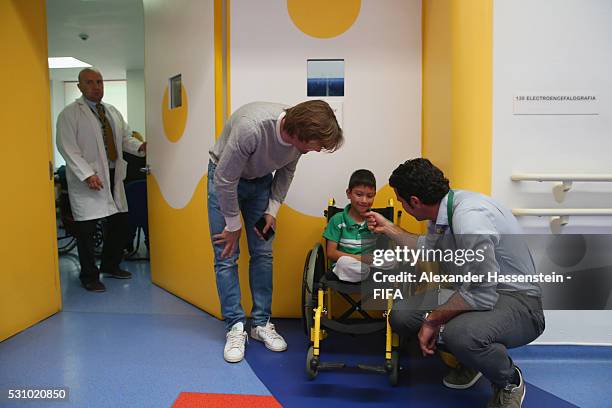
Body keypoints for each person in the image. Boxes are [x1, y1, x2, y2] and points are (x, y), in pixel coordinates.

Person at [366, 158, 545, 408]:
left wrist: (433, 320)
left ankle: (509, 380)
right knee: (402, 315)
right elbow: (427, 248)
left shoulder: (469, 218)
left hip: (518, 302)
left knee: (460, 333)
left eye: (401, 200)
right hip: (474, 292)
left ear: (414, 201)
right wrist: (388, 229)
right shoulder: (444, 210)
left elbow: (482, 294)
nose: (401, 205)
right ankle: (472, 362)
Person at [208, 100, 343, 363]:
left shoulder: (299, 143)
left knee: (263, 252)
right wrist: (233, 224)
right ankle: (235, 326)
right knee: (226, 254)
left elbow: (286, 172)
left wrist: (272, 210)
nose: (317, 150)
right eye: (317, 145)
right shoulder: (252, 128)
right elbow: (225, 179)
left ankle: (260, 324)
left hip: (260, 184)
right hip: (223, 178)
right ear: (300, 135)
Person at [56, 68, 146, 293]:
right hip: (89, 179)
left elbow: (125, 138)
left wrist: (140, 147)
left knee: (120, 224)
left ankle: (111, 265)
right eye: (90, 82)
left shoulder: (112, 111)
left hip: (114, 175)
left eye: (99, 82)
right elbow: (68, 148)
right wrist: (87, 174)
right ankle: (89, 276)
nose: (97, 86)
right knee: (86, 231)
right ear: (79, 87)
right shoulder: (70, 114)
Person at [323, 169, 378, 282]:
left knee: (393, 260)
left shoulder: (376, 219)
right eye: (359, 194)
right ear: (349, 193)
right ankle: (363, 272)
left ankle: (364, 272)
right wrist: (361, 259)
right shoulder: (337, 220)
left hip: (369, 265)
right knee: (344, 263)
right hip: (348, 265)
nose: (364, 200)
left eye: (369, 196)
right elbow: (331, 253)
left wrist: (378, 231)